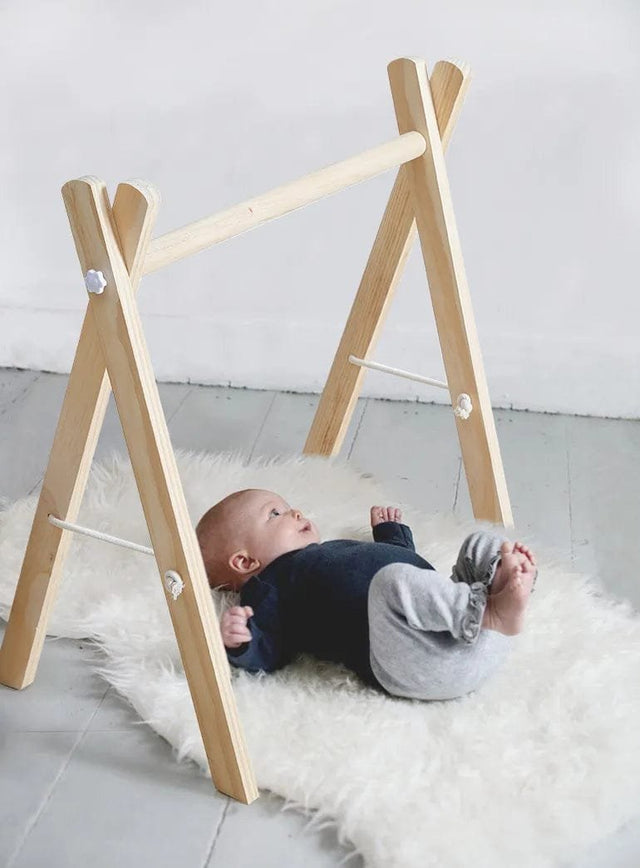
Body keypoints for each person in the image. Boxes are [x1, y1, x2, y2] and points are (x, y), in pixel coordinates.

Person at [195, 488, 538, 701]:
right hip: (420, 661)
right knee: (393, 582)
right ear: (245, 561)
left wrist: (390, 535)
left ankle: (504, 592)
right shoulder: (269, 585)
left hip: (459, 634)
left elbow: (397, 558)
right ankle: (490, 611)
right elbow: (270, 648)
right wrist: (242, 642)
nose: (295, 512)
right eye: (275, 514)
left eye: (288, 506)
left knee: (479, 543)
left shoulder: (328, 552)